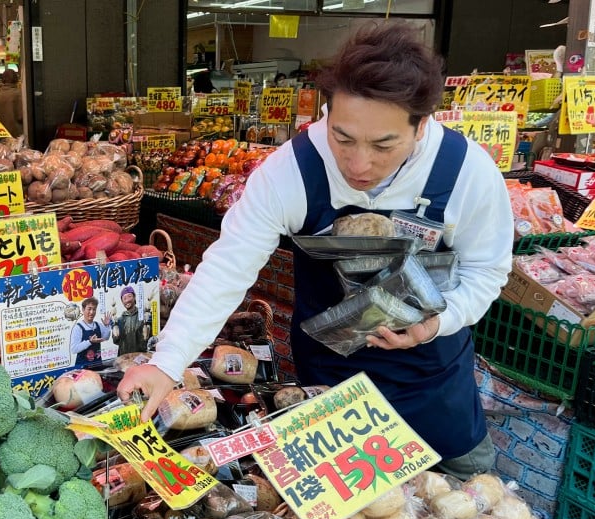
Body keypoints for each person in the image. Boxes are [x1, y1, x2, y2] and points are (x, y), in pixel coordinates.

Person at [118, 22, 513, 481]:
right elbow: (227, 268)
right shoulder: (290, 169)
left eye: (383, 145)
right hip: (328, 385)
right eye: (342, 138)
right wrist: (166, 363)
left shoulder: (468, 172)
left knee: (467, 505)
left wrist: (436, 324)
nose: (359, 164)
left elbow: (487, 271)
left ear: (422, 124)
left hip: (431, 383)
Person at [69, 297, 110, 368]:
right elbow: (74, 349)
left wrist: (106, 326)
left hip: (97, 364)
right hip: (83, 367)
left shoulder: (98, 325)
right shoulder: (78, 328)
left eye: (94, 309)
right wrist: (90, 342)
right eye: (89, 309)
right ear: (83, 310)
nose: (92, 312)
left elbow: (106, 338)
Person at [110, 286, 150, 356]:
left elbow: (150, 338)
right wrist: (114, 329)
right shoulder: (120, 320)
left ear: (134, 297)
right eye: (124, 298)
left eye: (129, 296)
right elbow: (116, 341)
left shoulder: (144, 316)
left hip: (141, 357)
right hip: (125, 358)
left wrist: (150, 324)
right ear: (122, 302)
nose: (127, 300)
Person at [0, 69, 23, 138]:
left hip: (1, 135)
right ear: (16, 79)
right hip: (16, 135)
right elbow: (21, 116)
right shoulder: (19, 94)